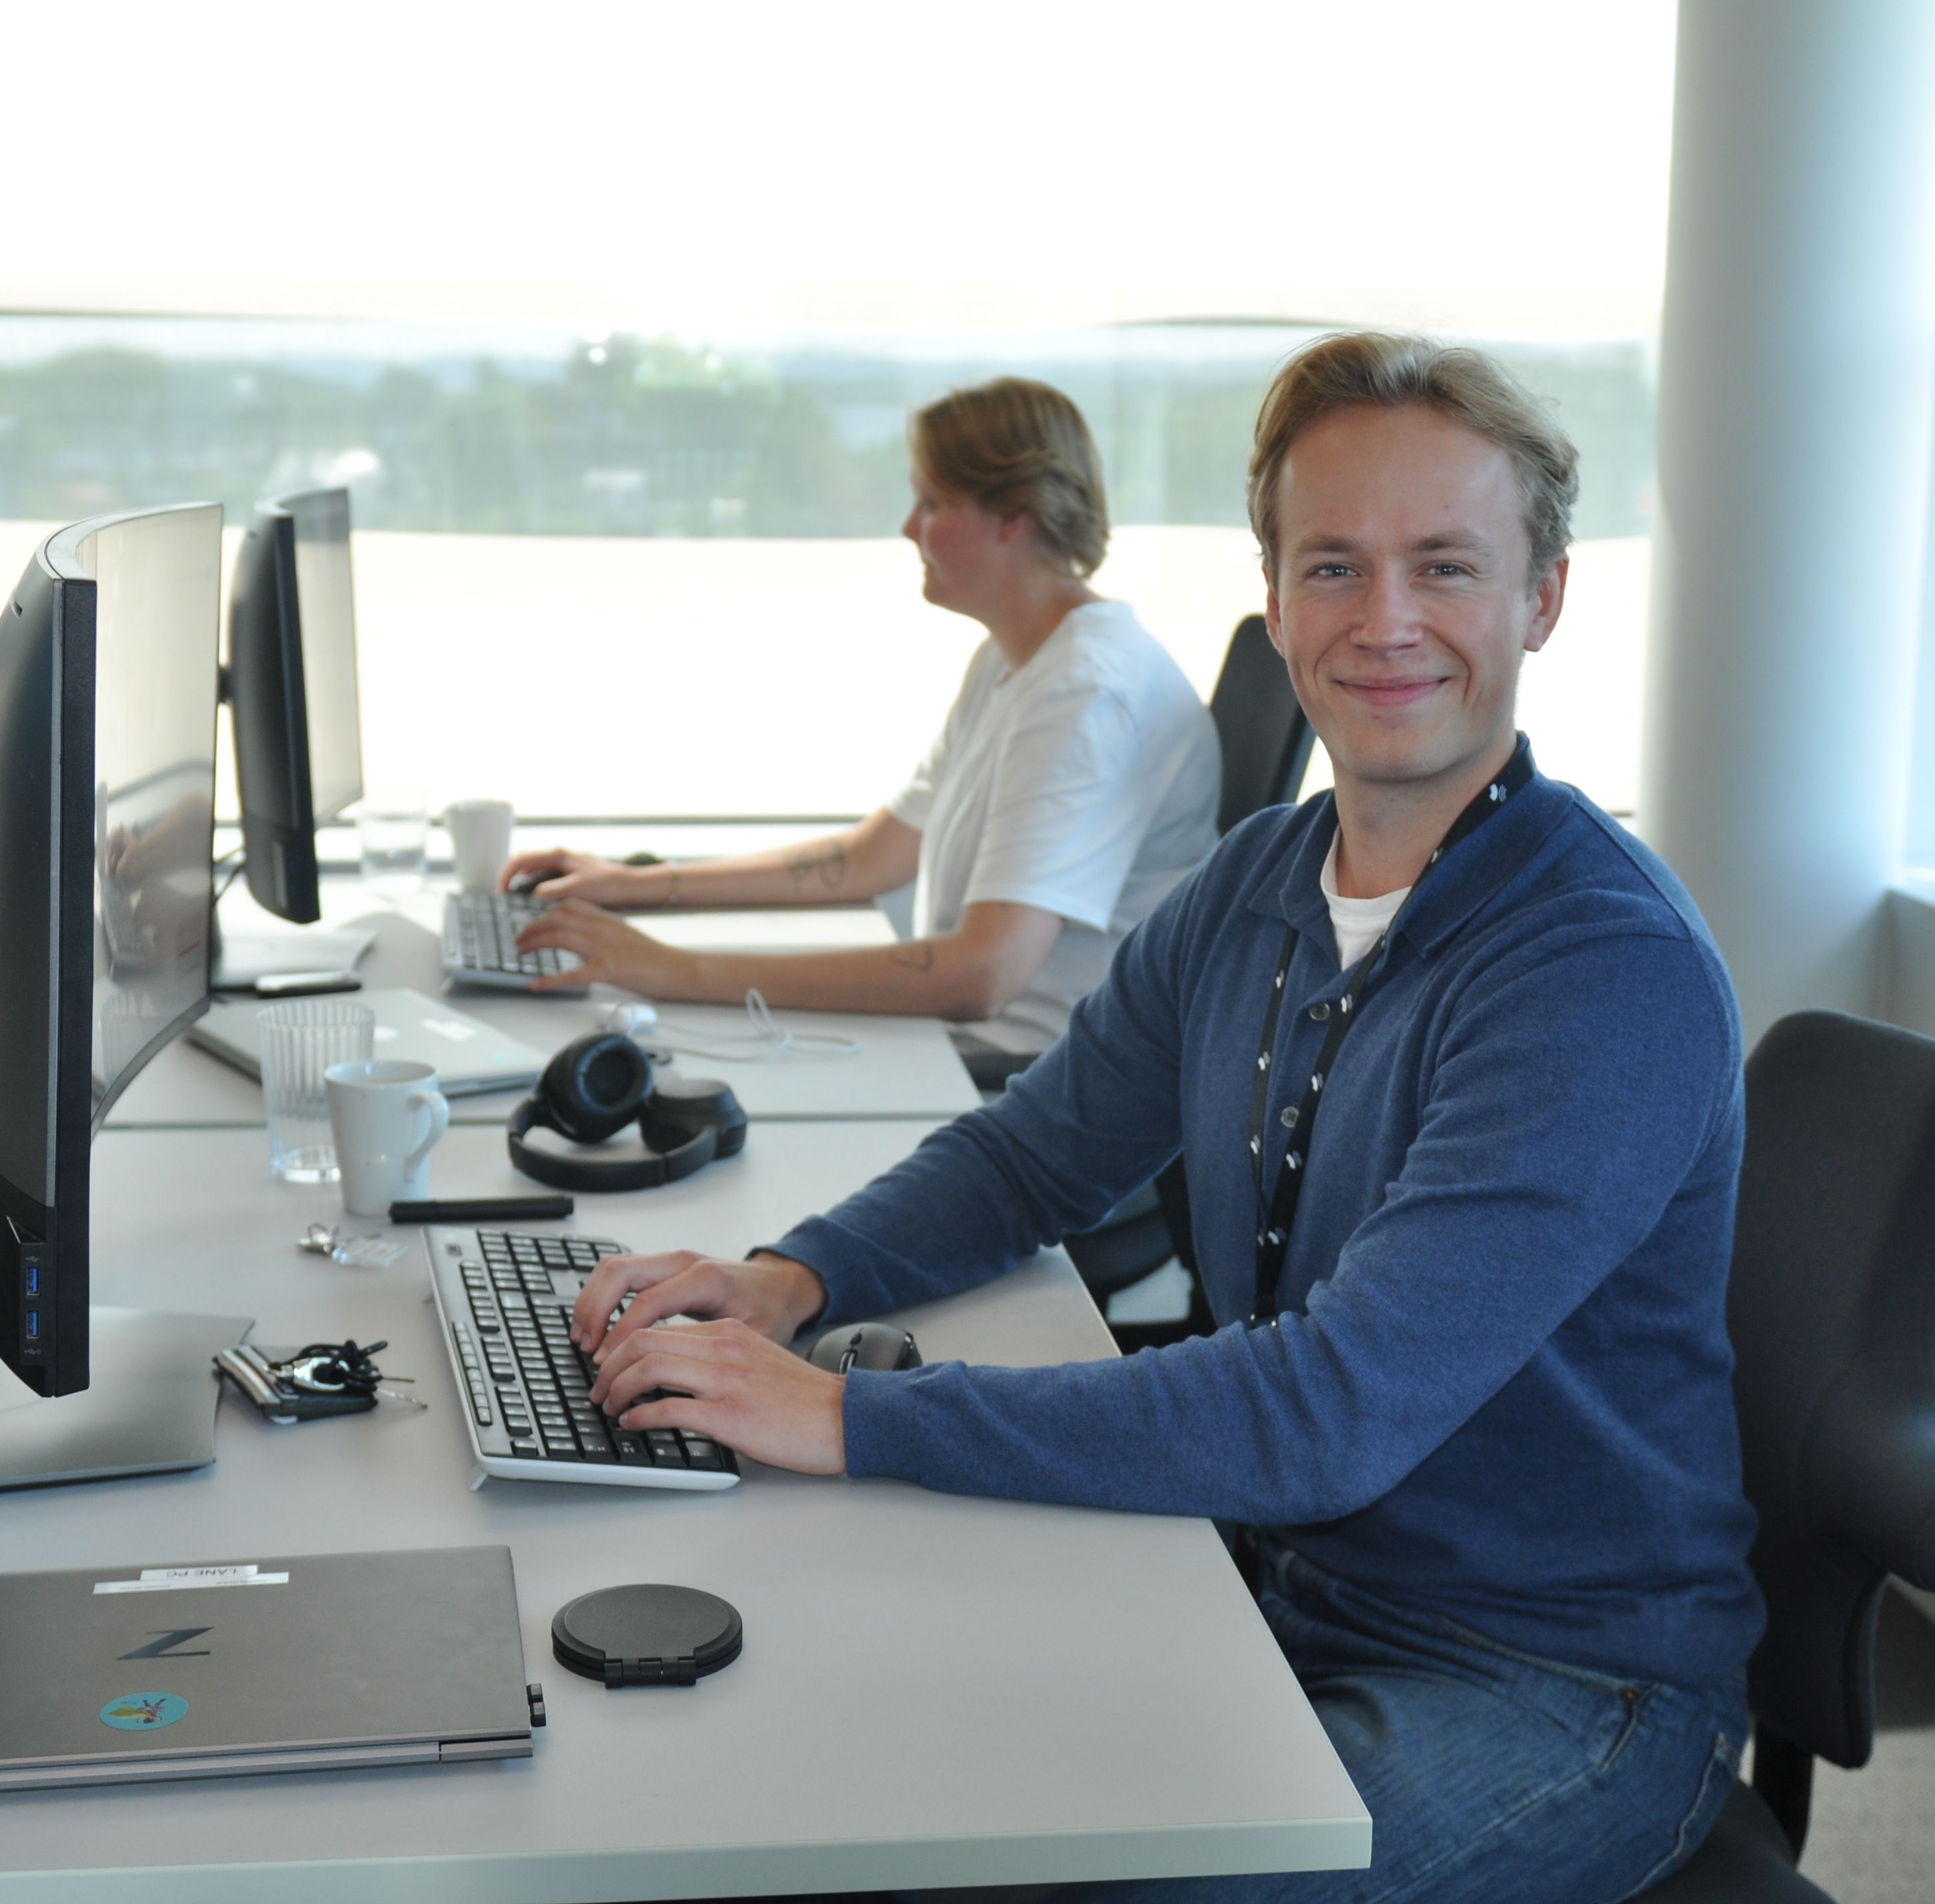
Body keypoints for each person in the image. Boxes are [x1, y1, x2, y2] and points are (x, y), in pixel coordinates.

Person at [557, 334, 1765, 1901]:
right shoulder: (1262, 875)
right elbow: (1034, 1150)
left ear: (1539, 597)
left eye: (1444, 566)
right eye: (1333, 565)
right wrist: (791, 1281)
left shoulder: (1596, 972)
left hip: (1554, 1679)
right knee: (827, 1740)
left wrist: (845, 1413)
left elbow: (1331, 1404)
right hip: (1276, 1571)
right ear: (1273, 598)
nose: (1383, 620)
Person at [498, 378, 1218, 1072]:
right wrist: (637, 884)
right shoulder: (1015, 660)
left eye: (933, 501)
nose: (910, 528)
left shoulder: (1087, 694)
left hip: (1025, 1084)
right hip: (970, 1052)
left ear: (1013, 517)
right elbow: (873, 856)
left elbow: (982, 972)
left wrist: (671, 969)